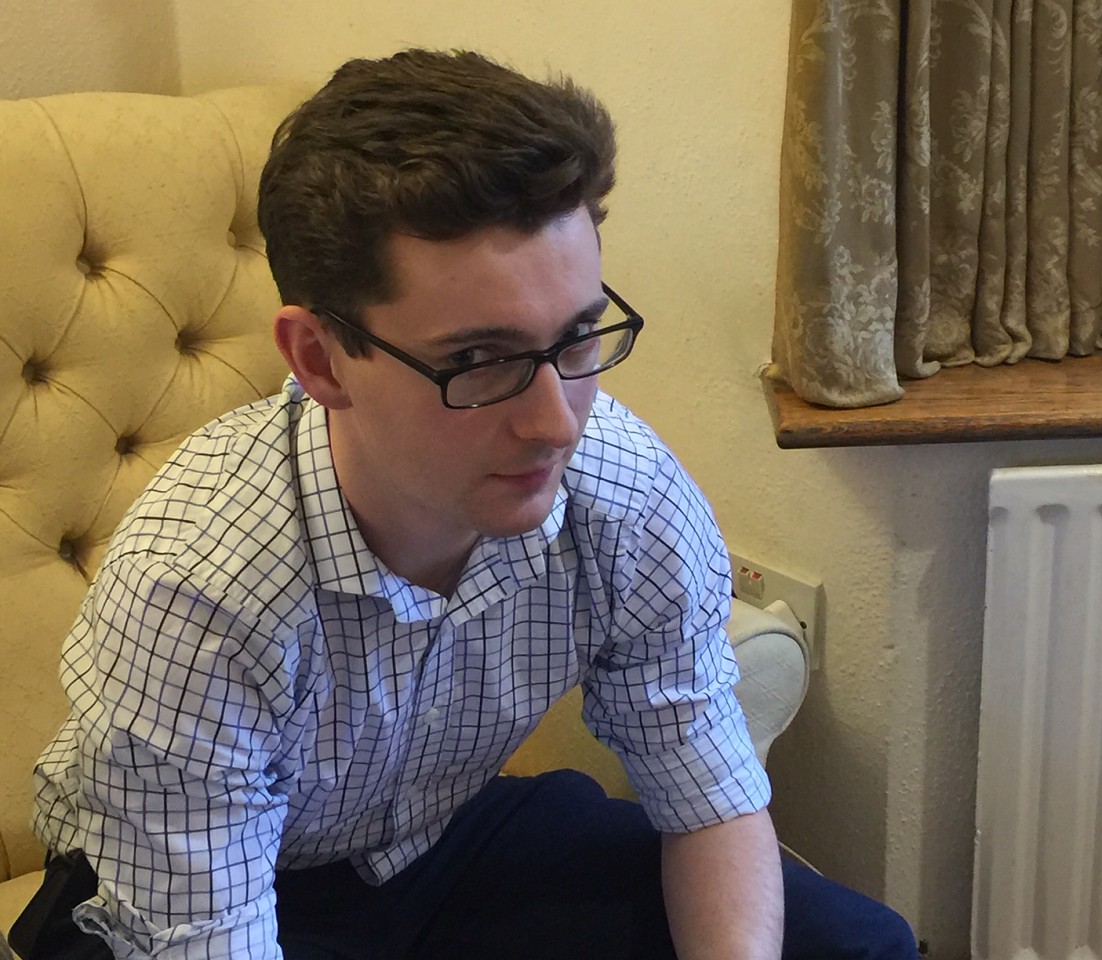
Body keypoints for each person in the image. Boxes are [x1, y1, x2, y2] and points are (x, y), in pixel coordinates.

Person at [12, 49, 918, 960]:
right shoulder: (193, 591)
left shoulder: (623, 488)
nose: (556, 424)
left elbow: (709, 796)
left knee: (857, 945)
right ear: (321, 361)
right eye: (478, 360)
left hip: (441, 840)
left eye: (576, 338)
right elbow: (206, 936)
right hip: (187, 886)